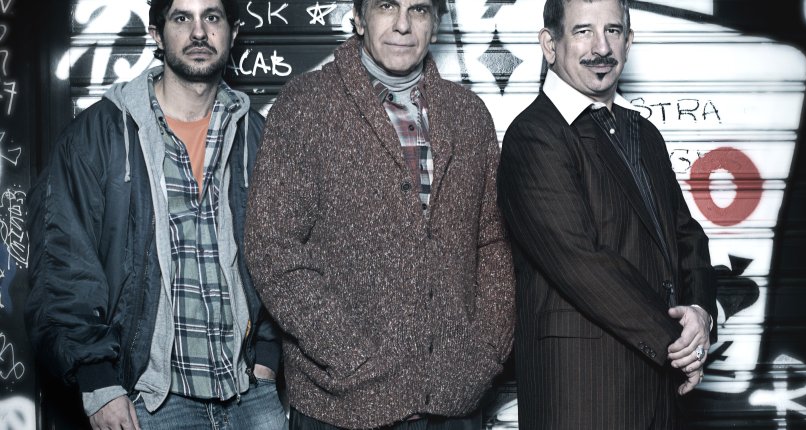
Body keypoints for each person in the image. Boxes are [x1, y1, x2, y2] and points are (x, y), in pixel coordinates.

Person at [243, 0, 515, 428]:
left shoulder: (469, 115)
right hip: (343, 403)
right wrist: (348, 354)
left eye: (419, 10)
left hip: (453, 402)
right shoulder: (305, 106)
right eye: (387, 5)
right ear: (358, 17)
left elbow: (492, 242)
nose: (403, 25)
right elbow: (272, 246)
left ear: (436, 24)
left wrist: (486, 352)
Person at [25, 0, 287, 429]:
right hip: (151, 403)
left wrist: (268, 358)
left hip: (250, 395)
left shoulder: (256, 138)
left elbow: (287, 253)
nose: (199, 32)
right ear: (156, 34)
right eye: (182, 18)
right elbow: (62, 264)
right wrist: (97, 381)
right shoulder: (99, 136)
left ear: (233, 32)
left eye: (212, 17)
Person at [497, 0, 717, 428]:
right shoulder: (533, 135)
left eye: (613, 31)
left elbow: (686, 235)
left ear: (628, 41)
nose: (601, 47)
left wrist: (701, 313)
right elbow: (580, 261)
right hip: (584, 391)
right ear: (549, 44)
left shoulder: (644, 133)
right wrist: (678, 343)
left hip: (660, 391)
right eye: (583, 31)